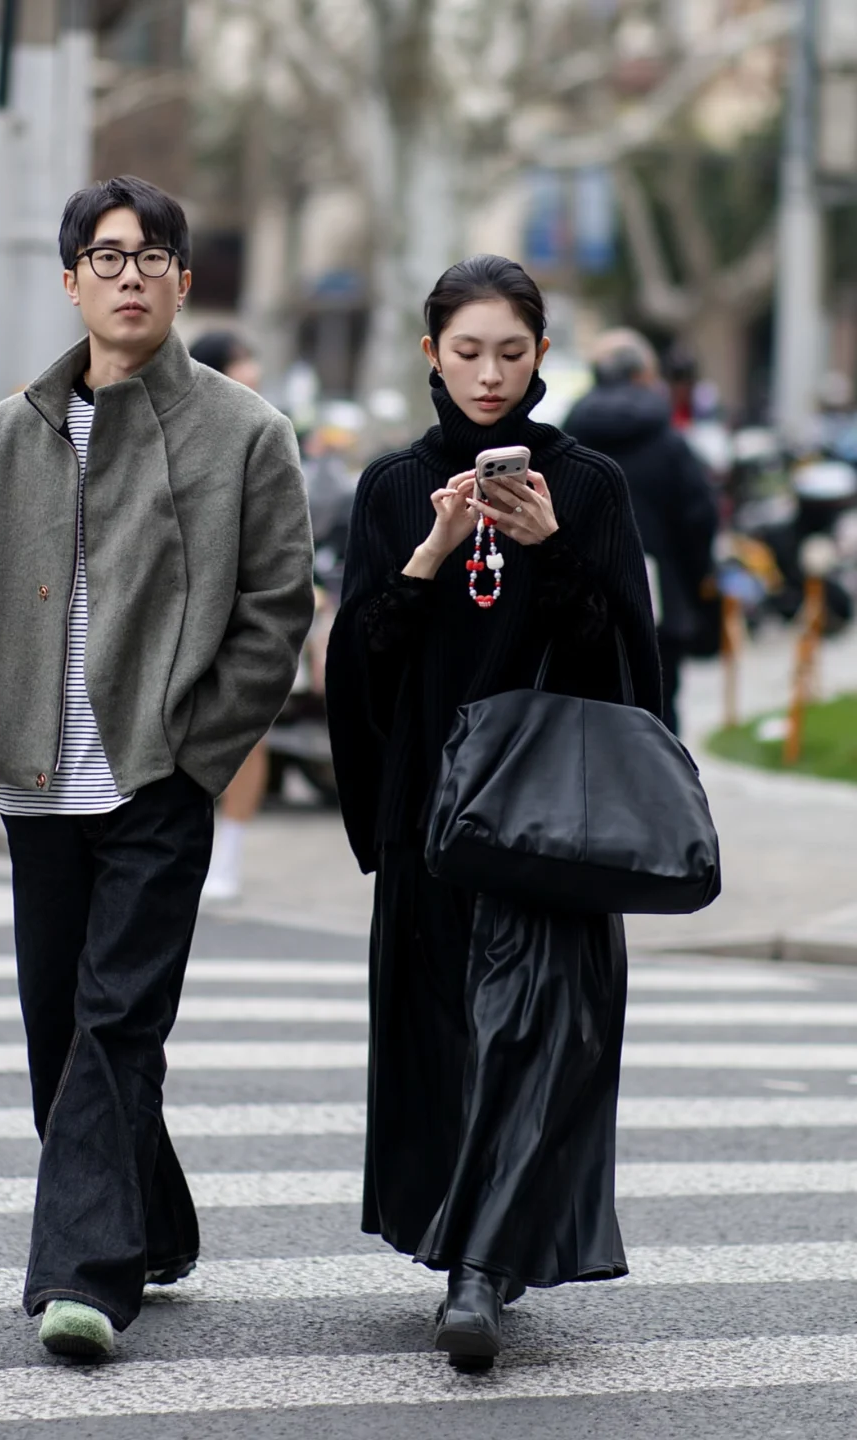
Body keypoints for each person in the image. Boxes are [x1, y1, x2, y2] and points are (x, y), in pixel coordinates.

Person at [0, 176, 314, 1358]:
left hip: (155, 784)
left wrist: (194, 751)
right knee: (59, 1039)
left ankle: (81, 1280)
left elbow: (276, 612)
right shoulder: (5, 437)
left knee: (116, 1023)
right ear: (71, 279)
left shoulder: (246, 433)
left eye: (153, 258)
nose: (131, 277)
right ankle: (156, 1223)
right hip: (36, 785)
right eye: (108, 257)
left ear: (183, 282)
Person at [325, 255, 661, 1371]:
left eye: (511, 353)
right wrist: (427, 555)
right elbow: (362, 668)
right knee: (442, 1041)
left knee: (529, 1036)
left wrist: (551, 548)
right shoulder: (392, 488)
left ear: (542, 356)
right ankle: (467, 1249)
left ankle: (479, 1271)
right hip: (433, 814)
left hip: (548, 814)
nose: (488, 375)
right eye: (467, 352)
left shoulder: (591, 485)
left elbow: (624, 667)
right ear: (431, 354)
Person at [564, 329, 718, 734]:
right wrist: (693, 587)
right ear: (645, 375)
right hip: (661, 598)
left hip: (583, 600)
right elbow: (699, 521)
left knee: (591, 721)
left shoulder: (570, 436)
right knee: (659, 718)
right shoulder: (669, 441)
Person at [188, 331, 269, 900]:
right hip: (190, 606)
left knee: (250, 730)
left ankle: (229, 856)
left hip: (246, 607)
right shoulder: (184, 428)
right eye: (242, 367)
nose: (253, 378)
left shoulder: (264, 429)